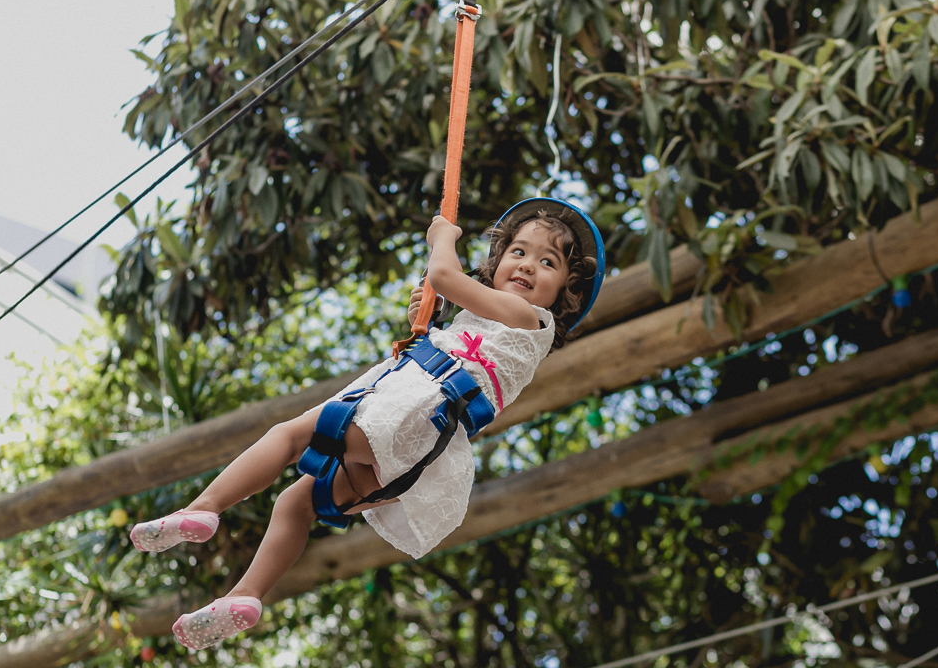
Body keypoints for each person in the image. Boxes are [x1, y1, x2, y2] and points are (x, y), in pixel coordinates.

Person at [128, 199, 604, 651]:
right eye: (518, 252)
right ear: (498, 261)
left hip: (411, 420)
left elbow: (443, 271)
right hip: (419, 458)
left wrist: (443, 237)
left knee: (289, 437)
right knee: (298, 502)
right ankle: (244, 596)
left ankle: (205, 507)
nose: (526, 265)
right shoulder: (490, 318)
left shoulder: (530, 318)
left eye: (547, 263)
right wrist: (432, 312)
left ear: (565, 291)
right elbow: (455, 310)